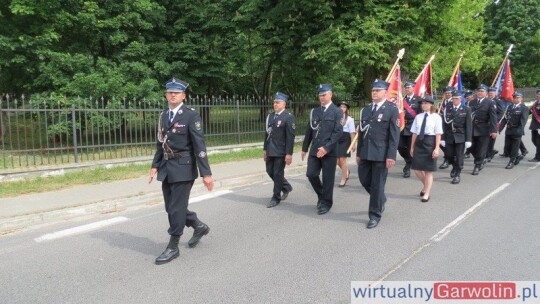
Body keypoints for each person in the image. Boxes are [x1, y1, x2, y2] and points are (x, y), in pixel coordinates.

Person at [149, 78, 214, 265]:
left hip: (184, 167)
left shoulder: (190, 116)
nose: (172, 95)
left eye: (176, 93)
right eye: (170, 92)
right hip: (167, 168)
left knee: (176, 208)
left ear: (183, 96)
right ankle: (198, 225)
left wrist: (206, 174)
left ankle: (173, 246)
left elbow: (199, 145)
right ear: (166, 94)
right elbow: (160, 143)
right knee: (171, 207)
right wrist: (154, 165)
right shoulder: (163, 115)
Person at [356, 79, 400, 229]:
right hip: (365, 152)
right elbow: (362, 132)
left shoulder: (392, 109)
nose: (374, 93)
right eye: (373, 90)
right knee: (363, 179)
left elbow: (394, 135)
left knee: (377, 184)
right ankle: (380, 198)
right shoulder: (366, 110)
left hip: (381, 154)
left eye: (377, 90)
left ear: (384, 93)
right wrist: (358, 151)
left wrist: (391, 155)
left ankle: (374, 215)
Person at [302, 84, 343, 215]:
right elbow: (309, 130)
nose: (321, 97)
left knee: (328, 179)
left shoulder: (337, 112)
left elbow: (338, 133)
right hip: (315, 149)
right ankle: (321, 195)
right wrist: (304, 148)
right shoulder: (315, 111)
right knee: (311, 174)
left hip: (329, 151)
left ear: (330, 95)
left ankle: (326, 203)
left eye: (324, 94)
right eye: (320, 95)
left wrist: (326, 148)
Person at [264, 92, 296, 208]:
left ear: (284, 104)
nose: (275, 104)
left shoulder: (288, 117)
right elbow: (266, 134)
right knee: (269, 171)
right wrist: (264, 149)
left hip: (281, 151)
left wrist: (289, 153)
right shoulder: (270, 116)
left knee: (277, 173)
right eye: (274, 102)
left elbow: (290, 137)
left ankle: (276, 197)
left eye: (278, 102)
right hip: (270, 149)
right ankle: (286, 186)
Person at [410, 95, 443, 202]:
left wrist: (437, 148)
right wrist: (412, 146)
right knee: (416, 169)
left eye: (426, 103)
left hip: (430, 142)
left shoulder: (436, 117)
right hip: (419, 142)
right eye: (422, 103)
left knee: (428, 171)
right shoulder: (418, 117)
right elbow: (414, 133)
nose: (423, 105)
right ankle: (426, 185)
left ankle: (427, 193)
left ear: (431, 105)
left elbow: (438, 134)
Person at [441, 91, 472, 184]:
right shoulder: (448, 108)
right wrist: (442, 138)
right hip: (449, 136)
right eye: (453, 98)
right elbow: (444, 124)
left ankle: (457, 174)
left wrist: (468, 139)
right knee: (448, 155)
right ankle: (454, 167)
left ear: (461, 99)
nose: (454, 100)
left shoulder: (466, 109)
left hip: (460, 136)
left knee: (459, 156)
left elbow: (468, 125)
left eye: (456, 98)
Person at [468, 84, 497, 175]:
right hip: (472, 129)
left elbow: (493, 117)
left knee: (481, 148)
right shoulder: (472, 102)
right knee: (471, 147)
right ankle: (480, 160)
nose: (480, 93)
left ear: (486, 93)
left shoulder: (490, 102)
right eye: (478, 91)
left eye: (482, 91)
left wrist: (493, 130)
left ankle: (477, 165)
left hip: (484, 129)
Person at [397, 81, 422, 178]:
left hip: (413, 128)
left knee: (409, 148)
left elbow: (420, 115)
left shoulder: (418, 100)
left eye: (409, 87)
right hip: (402, 127)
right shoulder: (401, 100)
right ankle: (409, 161)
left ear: (413, 88)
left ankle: (407, 167)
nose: (407, 89)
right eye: (406, 88)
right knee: (399, 146)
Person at [502, 92, 529, 169]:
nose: (516, 99)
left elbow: (523, 120)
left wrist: (520, 130)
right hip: (509, 129)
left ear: (521, 99)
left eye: (518, 98)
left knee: (515, 147)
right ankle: (516, 157)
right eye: (515, 98)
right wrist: (499, 129)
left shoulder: (524, 108)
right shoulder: (510, 107)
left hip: (517, 130)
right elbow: (505, 118)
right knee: (508, 147)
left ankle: (512, 161)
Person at [336, 101, 356, 187]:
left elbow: (352, 133)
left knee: (342, 160)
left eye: (344, 107)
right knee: (336, 161)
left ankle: (343, 178)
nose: (342, 108)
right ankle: (347, 171)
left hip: (345, 139)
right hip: (337, 138)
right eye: (340, 107)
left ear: (347, 109)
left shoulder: (350, 119)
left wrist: (353, 144)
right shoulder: (335, 117)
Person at [438, 86, 455, 170]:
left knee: (448, 144)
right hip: (441, 125)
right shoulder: (442, 102)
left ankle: (447, 159)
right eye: (446, 93)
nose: (447, 94)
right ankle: (450, 156)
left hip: (450, 126)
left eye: (449, 93)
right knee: (440, 142)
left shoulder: (454, 102)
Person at [486, 87, 505, 161]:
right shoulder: (486, 100)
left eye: (492, 93)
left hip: (493, 123)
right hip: (486, 122)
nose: (490, 94)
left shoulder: (498, 101)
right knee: (485, 139)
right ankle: (489, 152)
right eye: (489, 93)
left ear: (495, 93)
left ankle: (489, 154)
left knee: (491, 139)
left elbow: (501, 112)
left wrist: (495, 120)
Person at [529, 88, 540, 162]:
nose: (537, 95)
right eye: (537, 94)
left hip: (539, 125)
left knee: (538, 141)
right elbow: (530, 111)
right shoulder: (536, 102)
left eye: (539, 94)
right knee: (533, 139)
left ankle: (538, 157)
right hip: (534, 125)